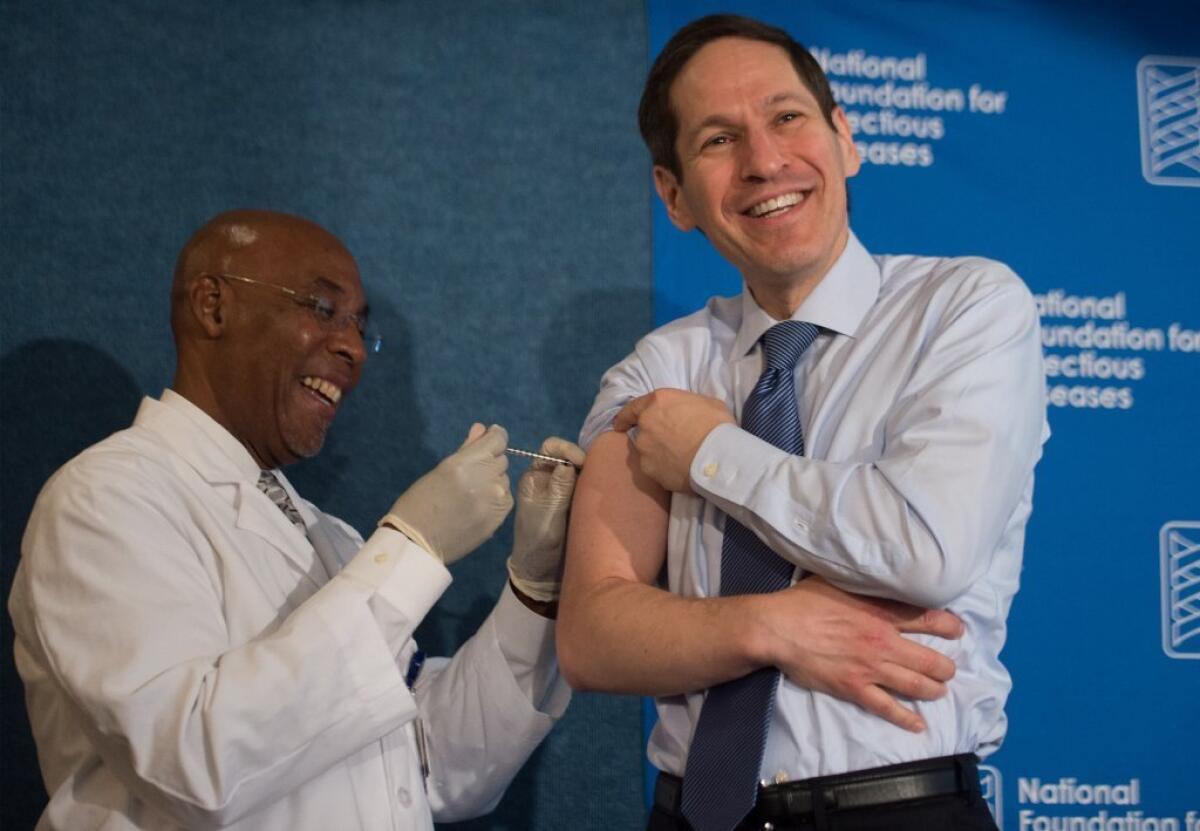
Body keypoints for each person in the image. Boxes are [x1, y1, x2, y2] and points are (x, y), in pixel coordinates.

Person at [558, 14, 1047, 831]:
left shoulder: (967, 308)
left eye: (787, 118)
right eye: (718, 139)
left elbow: (925, 548)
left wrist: (712, 453)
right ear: (673, 195)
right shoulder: (660, 369)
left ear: (845, 139)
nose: (765, 161)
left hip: (903, 811)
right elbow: (595, 634)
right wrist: (771, 626)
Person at [8, 209, 585, 830]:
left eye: (361, 327)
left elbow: (433, 771)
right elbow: (195, 764)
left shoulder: (331, 539)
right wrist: (413, 550)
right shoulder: (103, 499)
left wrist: (534, 589)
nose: (354, 348)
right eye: (320, 306)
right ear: (213, 306)